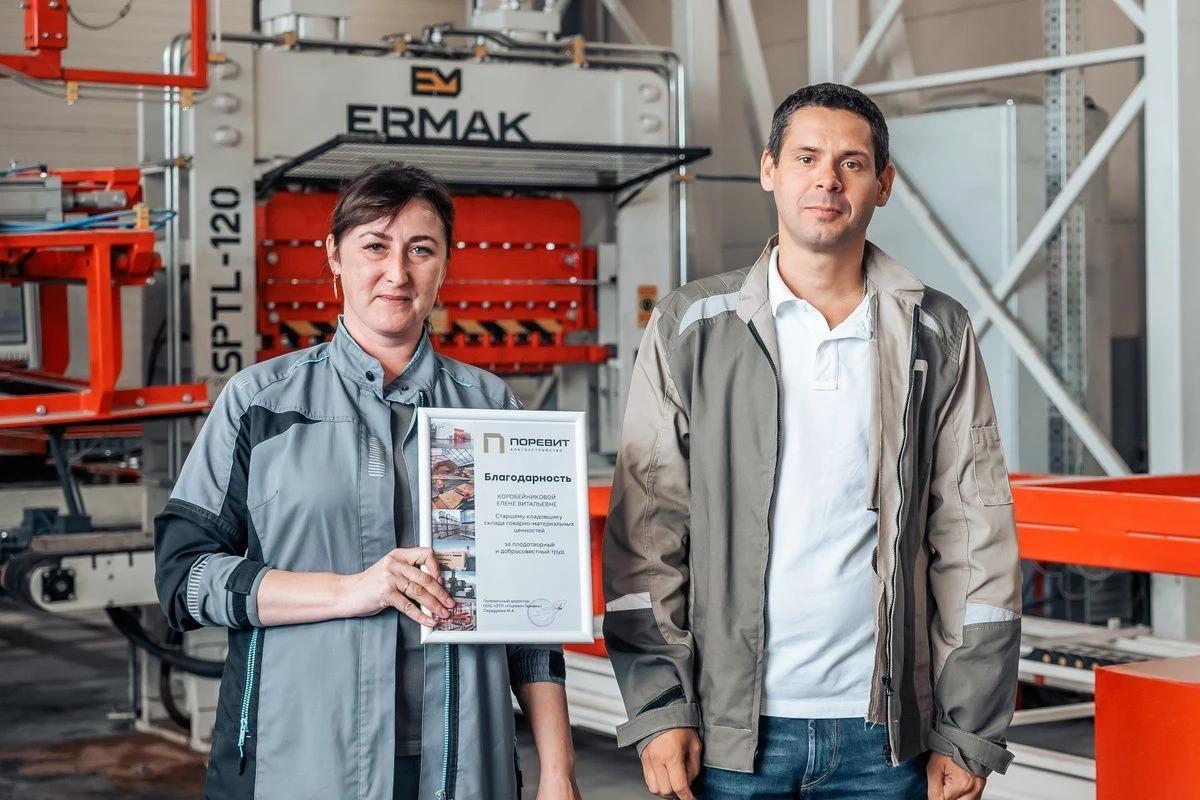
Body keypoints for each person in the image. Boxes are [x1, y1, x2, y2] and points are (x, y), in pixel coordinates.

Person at [602, 82, 1021, 800]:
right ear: (770, 169)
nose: (828, 179)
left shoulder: (936, 333)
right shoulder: (691, 327)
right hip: (731, 734)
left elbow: (974, 535)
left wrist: (968, 726)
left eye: (852, 163)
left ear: (882, 184)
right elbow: (648, 532)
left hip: (887, 737)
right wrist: (660, 706)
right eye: (806, 157)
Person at [155, 162, 581, 800]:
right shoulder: (260, 404)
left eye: (421, 250)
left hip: (464, 767)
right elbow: (183, 579)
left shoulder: (489, 409)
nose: (397, 273)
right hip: (298, 765)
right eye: (375, 247)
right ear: (334, 255)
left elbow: (532, 613)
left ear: (445, 264)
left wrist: (558, 770)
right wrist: (349, 591)